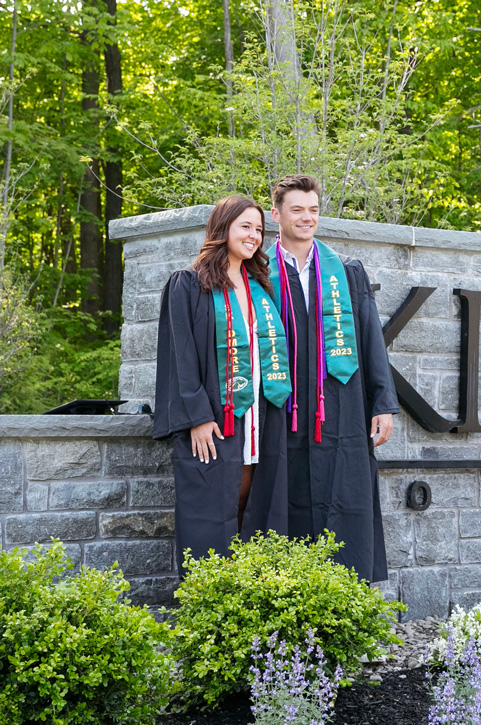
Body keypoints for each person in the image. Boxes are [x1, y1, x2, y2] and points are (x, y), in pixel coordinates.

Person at [267, 174, 398, 583]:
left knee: (343, 493)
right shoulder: (259, 272)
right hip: (280, 408)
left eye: (313, 210)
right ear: (277, 214)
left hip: (339, 407)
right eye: (297, 210)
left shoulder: (342, 272)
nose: (307, 218)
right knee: (282, 497)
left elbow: (371, 341)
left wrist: (383, 404)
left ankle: (342, 603)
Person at [153, 195, 293, 573]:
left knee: (252, 505)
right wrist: (196, 416)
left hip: (258, 419)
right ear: (223, 227)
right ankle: (206, 601)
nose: (254, 236)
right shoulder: (189, 284)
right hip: (215, 418)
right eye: (245, 226)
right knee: (212, 508)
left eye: (259, 229)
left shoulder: (260, 289)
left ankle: (247, 597)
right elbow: (180, 357)